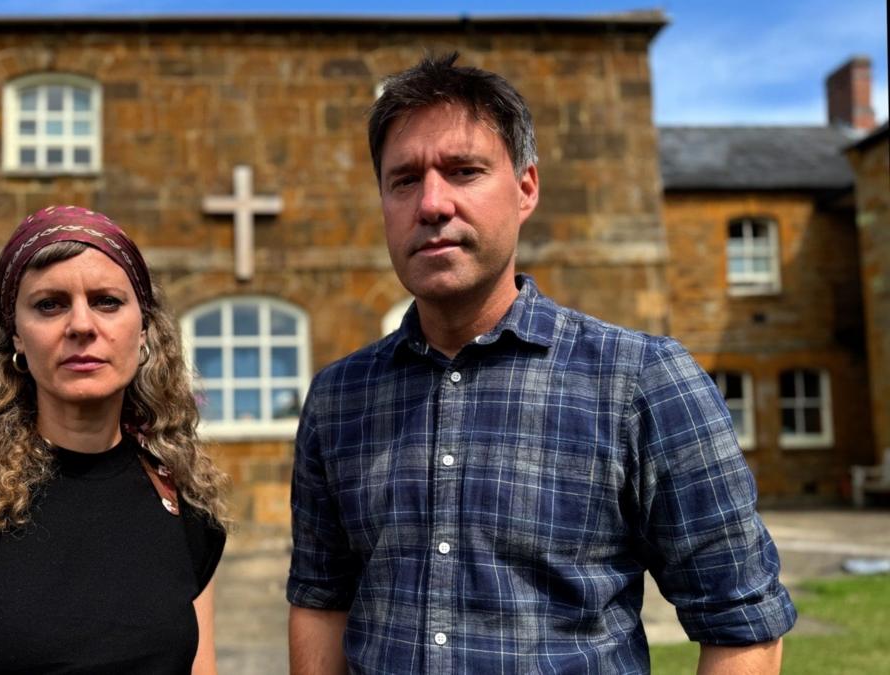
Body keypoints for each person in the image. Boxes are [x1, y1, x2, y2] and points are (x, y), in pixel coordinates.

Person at [286, 53, 796, 674]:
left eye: (464, 171)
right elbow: (321, 599)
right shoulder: (339, 398)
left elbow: (742, 624)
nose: (432, 204)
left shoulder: (642, 381)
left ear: (526, 188)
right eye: (404, 180)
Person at [0, 205, 229, 674]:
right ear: (15, 334)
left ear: (145, 331)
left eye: (107, 302)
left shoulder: (181, 507)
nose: (81, 325)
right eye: (49, 304)